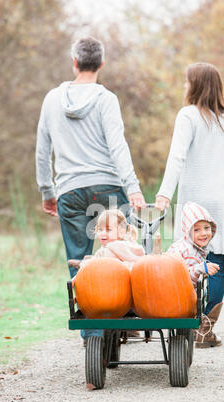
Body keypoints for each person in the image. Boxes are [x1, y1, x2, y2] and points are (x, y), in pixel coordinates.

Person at [35, 36, 146, 342]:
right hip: (108, 188)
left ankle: (94, 336)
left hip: (69, 191)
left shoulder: (51, 100)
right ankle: (124, 322)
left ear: (74, 62)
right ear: (101, 64)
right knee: (124, 255)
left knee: (80, 263)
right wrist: (132, 187)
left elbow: (43, 151)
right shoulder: (105, 99)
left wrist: (48, 191)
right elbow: (117, 146)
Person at [155, 62, 224, 347]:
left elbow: (177, 158)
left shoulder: (188, 115)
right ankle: (205, 331)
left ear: (195, 85)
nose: (185, 87)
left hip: (196, 200)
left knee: (188, 262)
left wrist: (164, 195)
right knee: (219, 265)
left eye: (187, 82)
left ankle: (187, 321)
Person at [167, 201, 223, 347]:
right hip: (173, 295)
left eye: (207, 228)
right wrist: (200, 268)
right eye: (196, 230)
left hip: (182, 295)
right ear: (188, 232)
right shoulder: (185, 250)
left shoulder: (196, 249)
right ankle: (195, 331)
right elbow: (178, 276)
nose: (204, 233)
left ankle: (195, 330)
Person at [69, 208, 145, 273]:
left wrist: (85, 264)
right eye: (100, 229)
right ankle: (85, 262)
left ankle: (83, 263)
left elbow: (100, 265)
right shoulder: (114, 247)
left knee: (93, 263)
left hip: (118, 282)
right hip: (113, 281)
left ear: (121, 232)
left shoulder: (115, 247)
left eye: (108, 230)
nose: (103, 233)